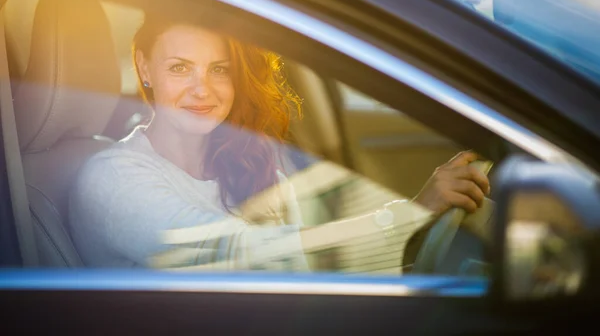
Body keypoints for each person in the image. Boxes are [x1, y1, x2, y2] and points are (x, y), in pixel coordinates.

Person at [69, 15, 490, 270]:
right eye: (180, 68)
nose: (203, 90)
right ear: (144, 67)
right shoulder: (111, 180)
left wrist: (418, 230)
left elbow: (304, 270)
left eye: (219, 69)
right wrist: (411, 213)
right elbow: (251, 256)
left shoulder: (246, 162)